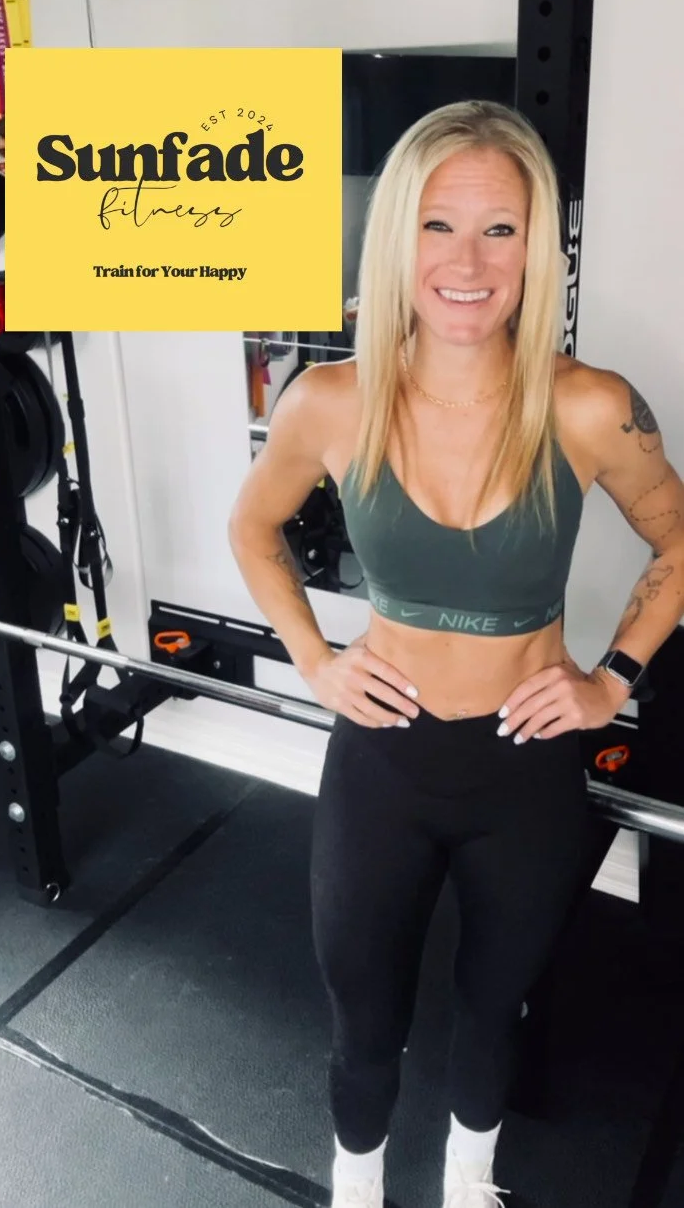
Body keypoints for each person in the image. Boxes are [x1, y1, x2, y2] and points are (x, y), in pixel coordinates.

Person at [227, 100, 684, 1208]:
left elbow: (678, 539)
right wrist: (314, 659)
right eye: (437, 225)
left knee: (491, 1008)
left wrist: (610, 680)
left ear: (537, 248)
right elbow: (252, 528)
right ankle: (356, 1187)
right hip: (381, 760)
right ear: (397, 238)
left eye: (499, 229)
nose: (467, 263)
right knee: (362, 1020)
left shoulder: (588, 407)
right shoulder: (328, 400)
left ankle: (467, 1182)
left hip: (523, 770)